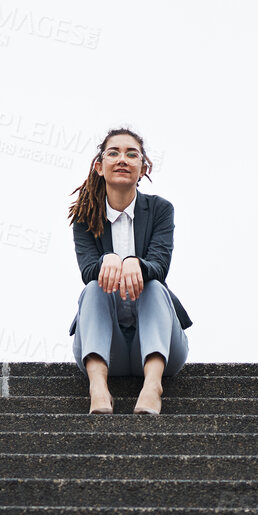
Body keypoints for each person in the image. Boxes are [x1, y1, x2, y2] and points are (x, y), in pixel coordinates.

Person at [68, 128, 191, 414]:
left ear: (143, 168)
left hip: (161, 347)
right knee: (94, 287)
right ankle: (98, 388)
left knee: (155, 286)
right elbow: (88, 269)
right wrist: (107, 259)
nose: (122, 159)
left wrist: (134, 261)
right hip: (107, 349)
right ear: (99, 167)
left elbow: (159, 265)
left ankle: (152, 387)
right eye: (114, 153)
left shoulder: (160, 209)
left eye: (131, 154)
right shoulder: (86, 216)